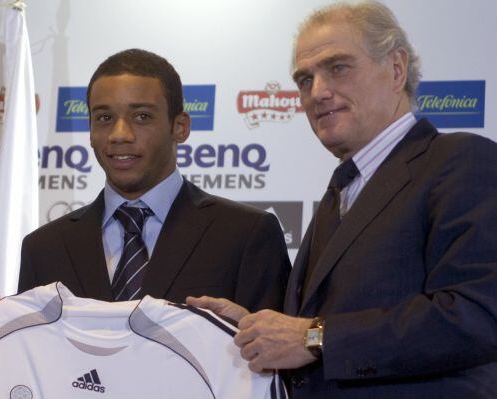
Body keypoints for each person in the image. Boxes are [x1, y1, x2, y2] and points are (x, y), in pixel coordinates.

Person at [189, 2, 497, 398]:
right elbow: (322, 330)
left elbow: (478, 314)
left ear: (396, 69)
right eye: (304, 78)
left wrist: (315, 338)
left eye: (338, 67)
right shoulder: (344, 189)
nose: (317, 92)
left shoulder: (461, 161)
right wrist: (251, 330)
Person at [19, 49, 290, 311]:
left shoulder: (246, 235)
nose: (119, 134)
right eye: (104, 118)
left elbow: (275, 352)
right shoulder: (43, 248)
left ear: (180, 127)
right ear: (90, 130)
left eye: (142, 117)